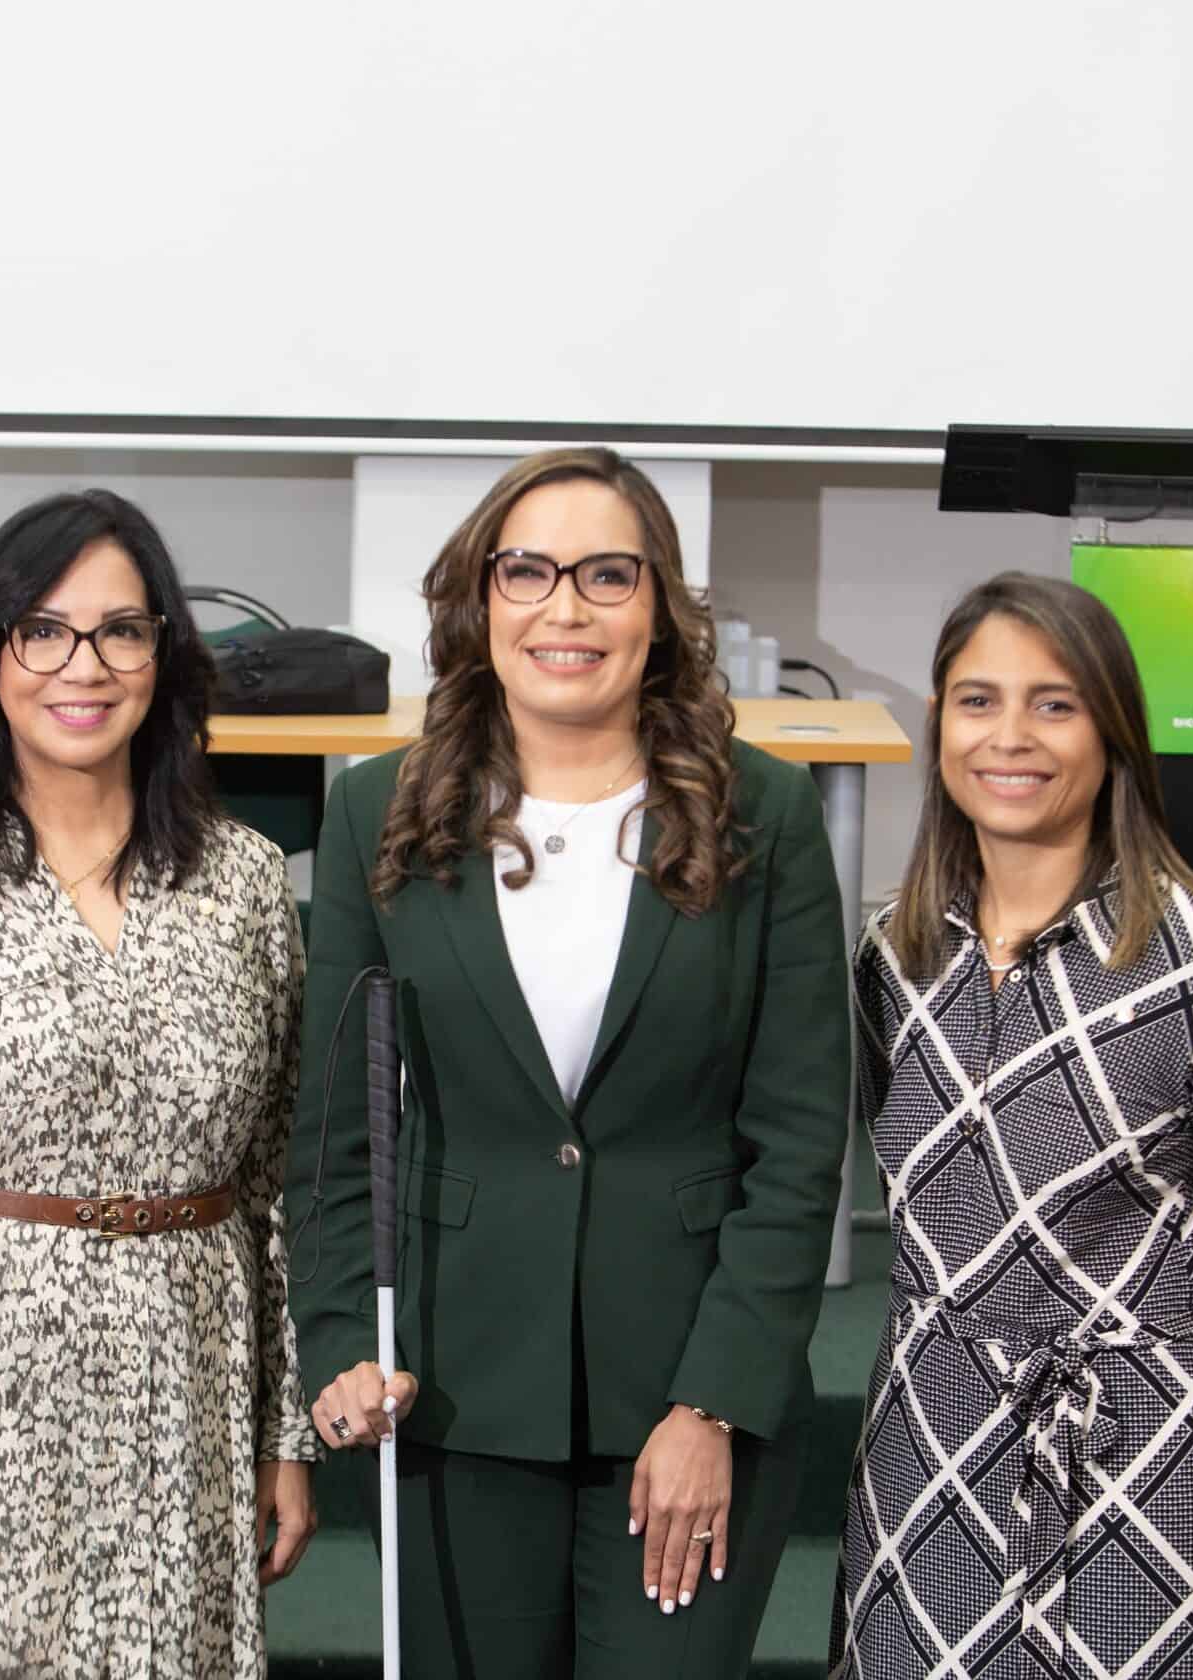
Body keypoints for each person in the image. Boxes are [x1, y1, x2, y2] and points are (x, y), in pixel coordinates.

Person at [286, 446, 850, 1678]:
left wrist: (713, 1402)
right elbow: (328, 1130)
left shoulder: (766, 817)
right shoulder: (375, 815)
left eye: (608, 574)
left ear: (661, 609)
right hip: (450, 1386)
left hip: (691, 1394)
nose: (566, 607)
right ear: (479, 600)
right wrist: (337, 1343)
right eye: (528, 570)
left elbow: (801, 1143)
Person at [0, 489, 318, 1677]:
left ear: (162, 657)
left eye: (120, 630)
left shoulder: (242, 883)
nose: (81, 665)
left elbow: (275, 1177)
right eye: (44, 630)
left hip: (182, 1390)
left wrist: (280, 1429)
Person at [828, 572, 1193, 1679]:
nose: (1011, 737)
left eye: (1054, 704)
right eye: (976, 700)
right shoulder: (892, 963)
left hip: (1148, 1458)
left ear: (1113, 737)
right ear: (940, 727)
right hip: (930, 1439)